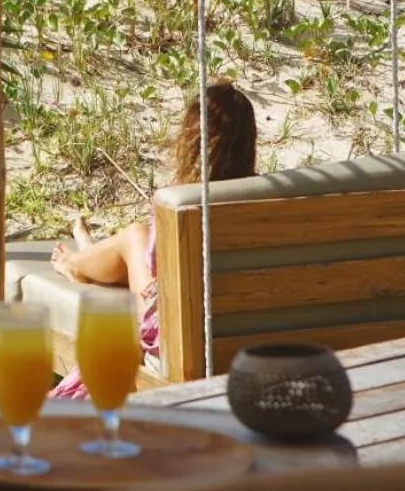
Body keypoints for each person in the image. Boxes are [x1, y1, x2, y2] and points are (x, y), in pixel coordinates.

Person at [48, 80, 258, 399]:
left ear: (190, 141)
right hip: (250, 327)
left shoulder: (181, 203)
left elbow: (157, 273)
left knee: (134, 236)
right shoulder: (268, 201)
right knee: (137, 241)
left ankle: (76, 263)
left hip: (178, 336)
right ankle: (85, 255)